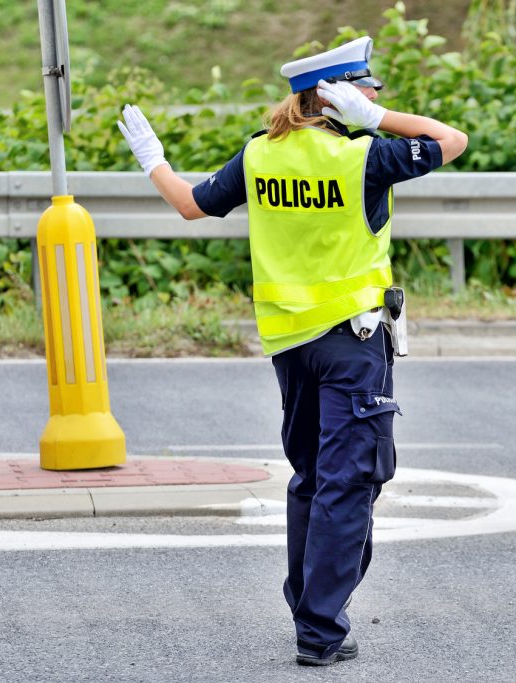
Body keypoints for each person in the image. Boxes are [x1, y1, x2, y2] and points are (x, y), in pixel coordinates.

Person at [118, 36, 467, 666]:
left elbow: (191, 206)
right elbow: (451, 140)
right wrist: (378, 122)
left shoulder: (259, 154)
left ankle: (310, 609)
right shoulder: (362, 156)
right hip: (354, 344)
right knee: (348, 482)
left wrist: (152, 159)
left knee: (310, 478)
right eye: (365, 91)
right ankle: (320, 628)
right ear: (336, 98)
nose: (372, 100)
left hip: (289, 347)